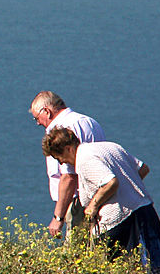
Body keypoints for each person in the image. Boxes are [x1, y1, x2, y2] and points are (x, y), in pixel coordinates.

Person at [42, 127, 160, 274]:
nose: (63, 163)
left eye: (60, 158)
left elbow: (110, 183)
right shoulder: (109, 146)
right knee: (158, 267)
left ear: (68, 149)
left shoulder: (84, 159)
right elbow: (142, 169)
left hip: (120, 221)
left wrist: (93, 206)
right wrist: (127, 190)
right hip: (145, 210)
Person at [29, 91, 106, 239]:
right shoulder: (89, 122)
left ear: (46, 111)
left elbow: (68, 176)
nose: (38, 122)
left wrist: (58, 217)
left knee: (75, 252)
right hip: (99, 195)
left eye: (36, 118)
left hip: (77, 200)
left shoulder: (61, 129)